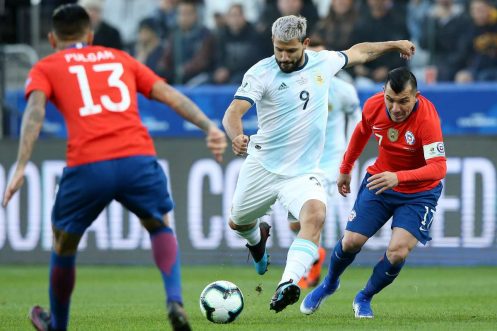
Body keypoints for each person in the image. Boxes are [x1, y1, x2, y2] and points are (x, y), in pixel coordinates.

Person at [1, 4, 226, 331]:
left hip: (88, 164)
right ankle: (174, 299)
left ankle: (58, 325)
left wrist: (21, 165)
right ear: (90, 35)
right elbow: (169, 95)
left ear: (52, 39)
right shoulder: (120, 58)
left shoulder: (47, 66)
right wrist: (209, 126)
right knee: (160, 225)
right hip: (138, 158)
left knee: (63, 243)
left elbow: (34, 113)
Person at [222, 15, 415, 313]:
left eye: (291, 50)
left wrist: (394, 44)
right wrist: (236, 136)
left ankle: (288, 284)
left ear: (306, 44)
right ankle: (257, 239)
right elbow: (233, 112)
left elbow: (360, 51)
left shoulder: (322, 63)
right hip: (262, 166)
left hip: (302, 171)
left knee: (314, 216)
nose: (284, 57)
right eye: (278, 50)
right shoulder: (260, 73)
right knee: (238, 222)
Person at [300, 67, 447, 318]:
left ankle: (364, 296)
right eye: (390, 99)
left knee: (398, 252)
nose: (396, 108)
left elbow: (438, 168)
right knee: (350, 242)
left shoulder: (427, 119)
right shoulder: (374, 105)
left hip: (419, 193)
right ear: (383, 93)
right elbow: (361, 132)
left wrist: (398, 177)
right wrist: (345, 168)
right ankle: (329, 284)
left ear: (417, 96)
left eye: (404, 101)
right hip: (380, 182)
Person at [289, 38, 362, 289]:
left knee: (311, 215)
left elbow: (357, 121)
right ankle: (314, 254)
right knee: (294, 222)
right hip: (302, 161)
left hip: (331, 162)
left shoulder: (343, 90)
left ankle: (309, 266)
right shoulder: (295, 87)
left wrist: (348, 158)